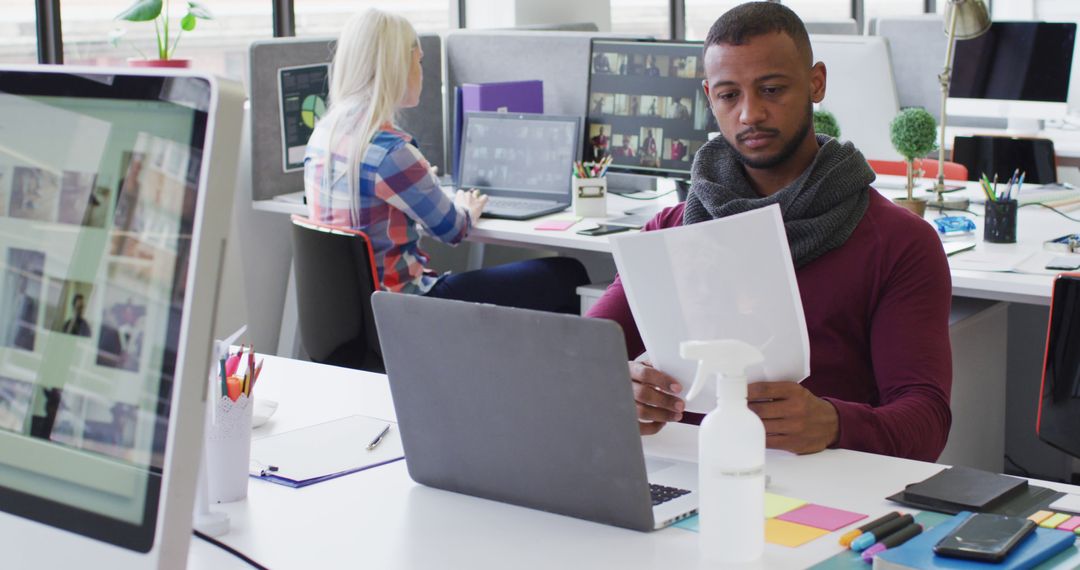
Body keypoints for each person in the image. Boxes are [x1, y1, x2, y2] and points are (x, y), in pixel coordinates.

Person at [585, 1, 952, 462]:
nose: (749, 114)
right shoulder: (672, 231)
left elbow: (927, 423)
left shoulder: (900, 242)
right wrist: (621, 386)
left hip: (829, 491)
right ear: (709, 98)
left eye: (772, 89)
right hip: (691, 479)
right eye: (728, 95)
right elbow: (576, 360)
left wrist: (834, 423)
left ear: (816, 83)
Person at [304, 9, 587, 313]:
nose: (421, 71)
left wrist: (421, 182)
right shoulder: (392, 151)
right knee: (567, 274)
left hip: (354, 314)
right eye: (419, 60)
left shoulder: (323, 136)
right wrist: (466, 206)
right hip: (406, 309)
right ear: (398, 65)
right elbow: (452, 229)